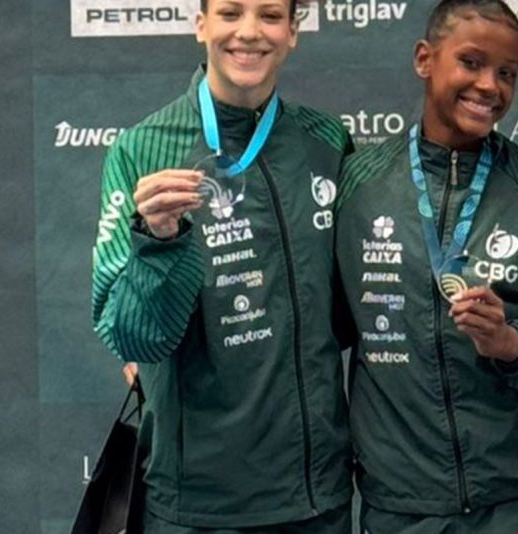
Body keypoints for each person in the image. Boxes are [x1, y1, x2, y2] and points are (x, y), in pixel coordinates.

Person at [91, 0, 354, 531]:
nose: (249, 32)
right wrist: (158, 241)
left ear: (293, 31)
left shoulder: (327, 141)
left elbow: (350, 314)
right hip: (198, 505)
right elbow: (131, 336)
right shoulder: (142, 150)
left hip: (315, 498)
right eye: (230, 13)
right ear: (201, 25)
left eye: (270, 15)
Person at [333, 1, 518, 532]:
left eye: (507, 73)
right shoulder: (357, 185)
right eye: (471, 62)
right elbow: (319, 331)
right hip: (400, 503)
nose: (489, 85)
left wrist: (510, 345)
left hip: (514, 501)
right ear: (425, 59)